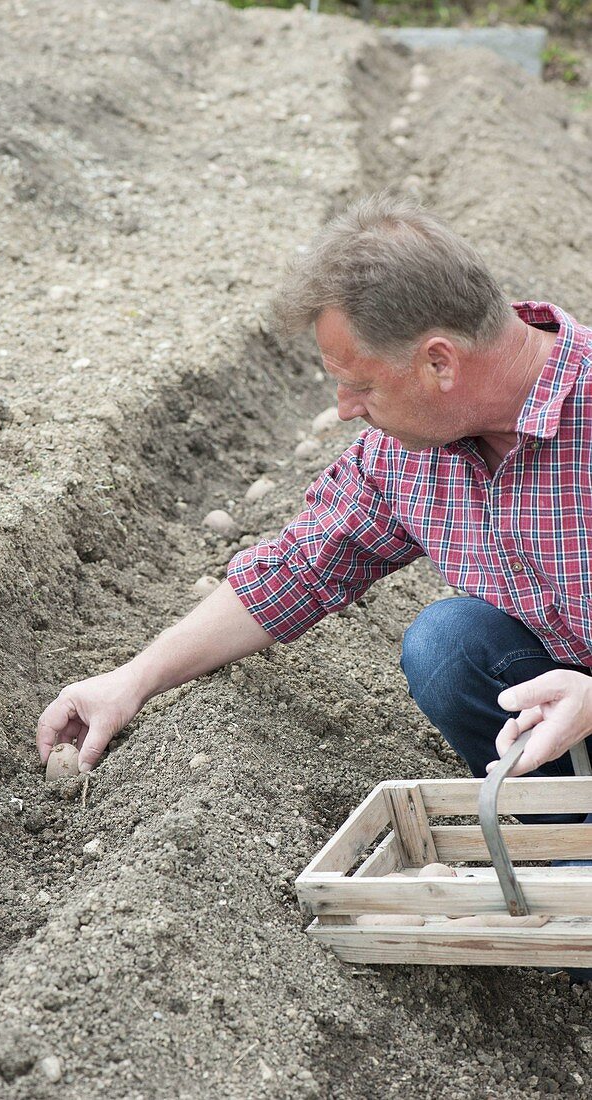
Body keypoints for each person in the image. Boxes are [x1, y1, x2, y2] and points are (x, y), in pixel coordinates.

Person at [37, 192, 592, 826]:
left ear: (440, 360)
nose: (346, 407)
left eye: (361, 384)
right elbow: (298, 567)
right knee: (448, 643)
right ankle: (569, 842)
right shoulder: (406, 452)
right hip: (564, 715)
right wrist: (133, 680)